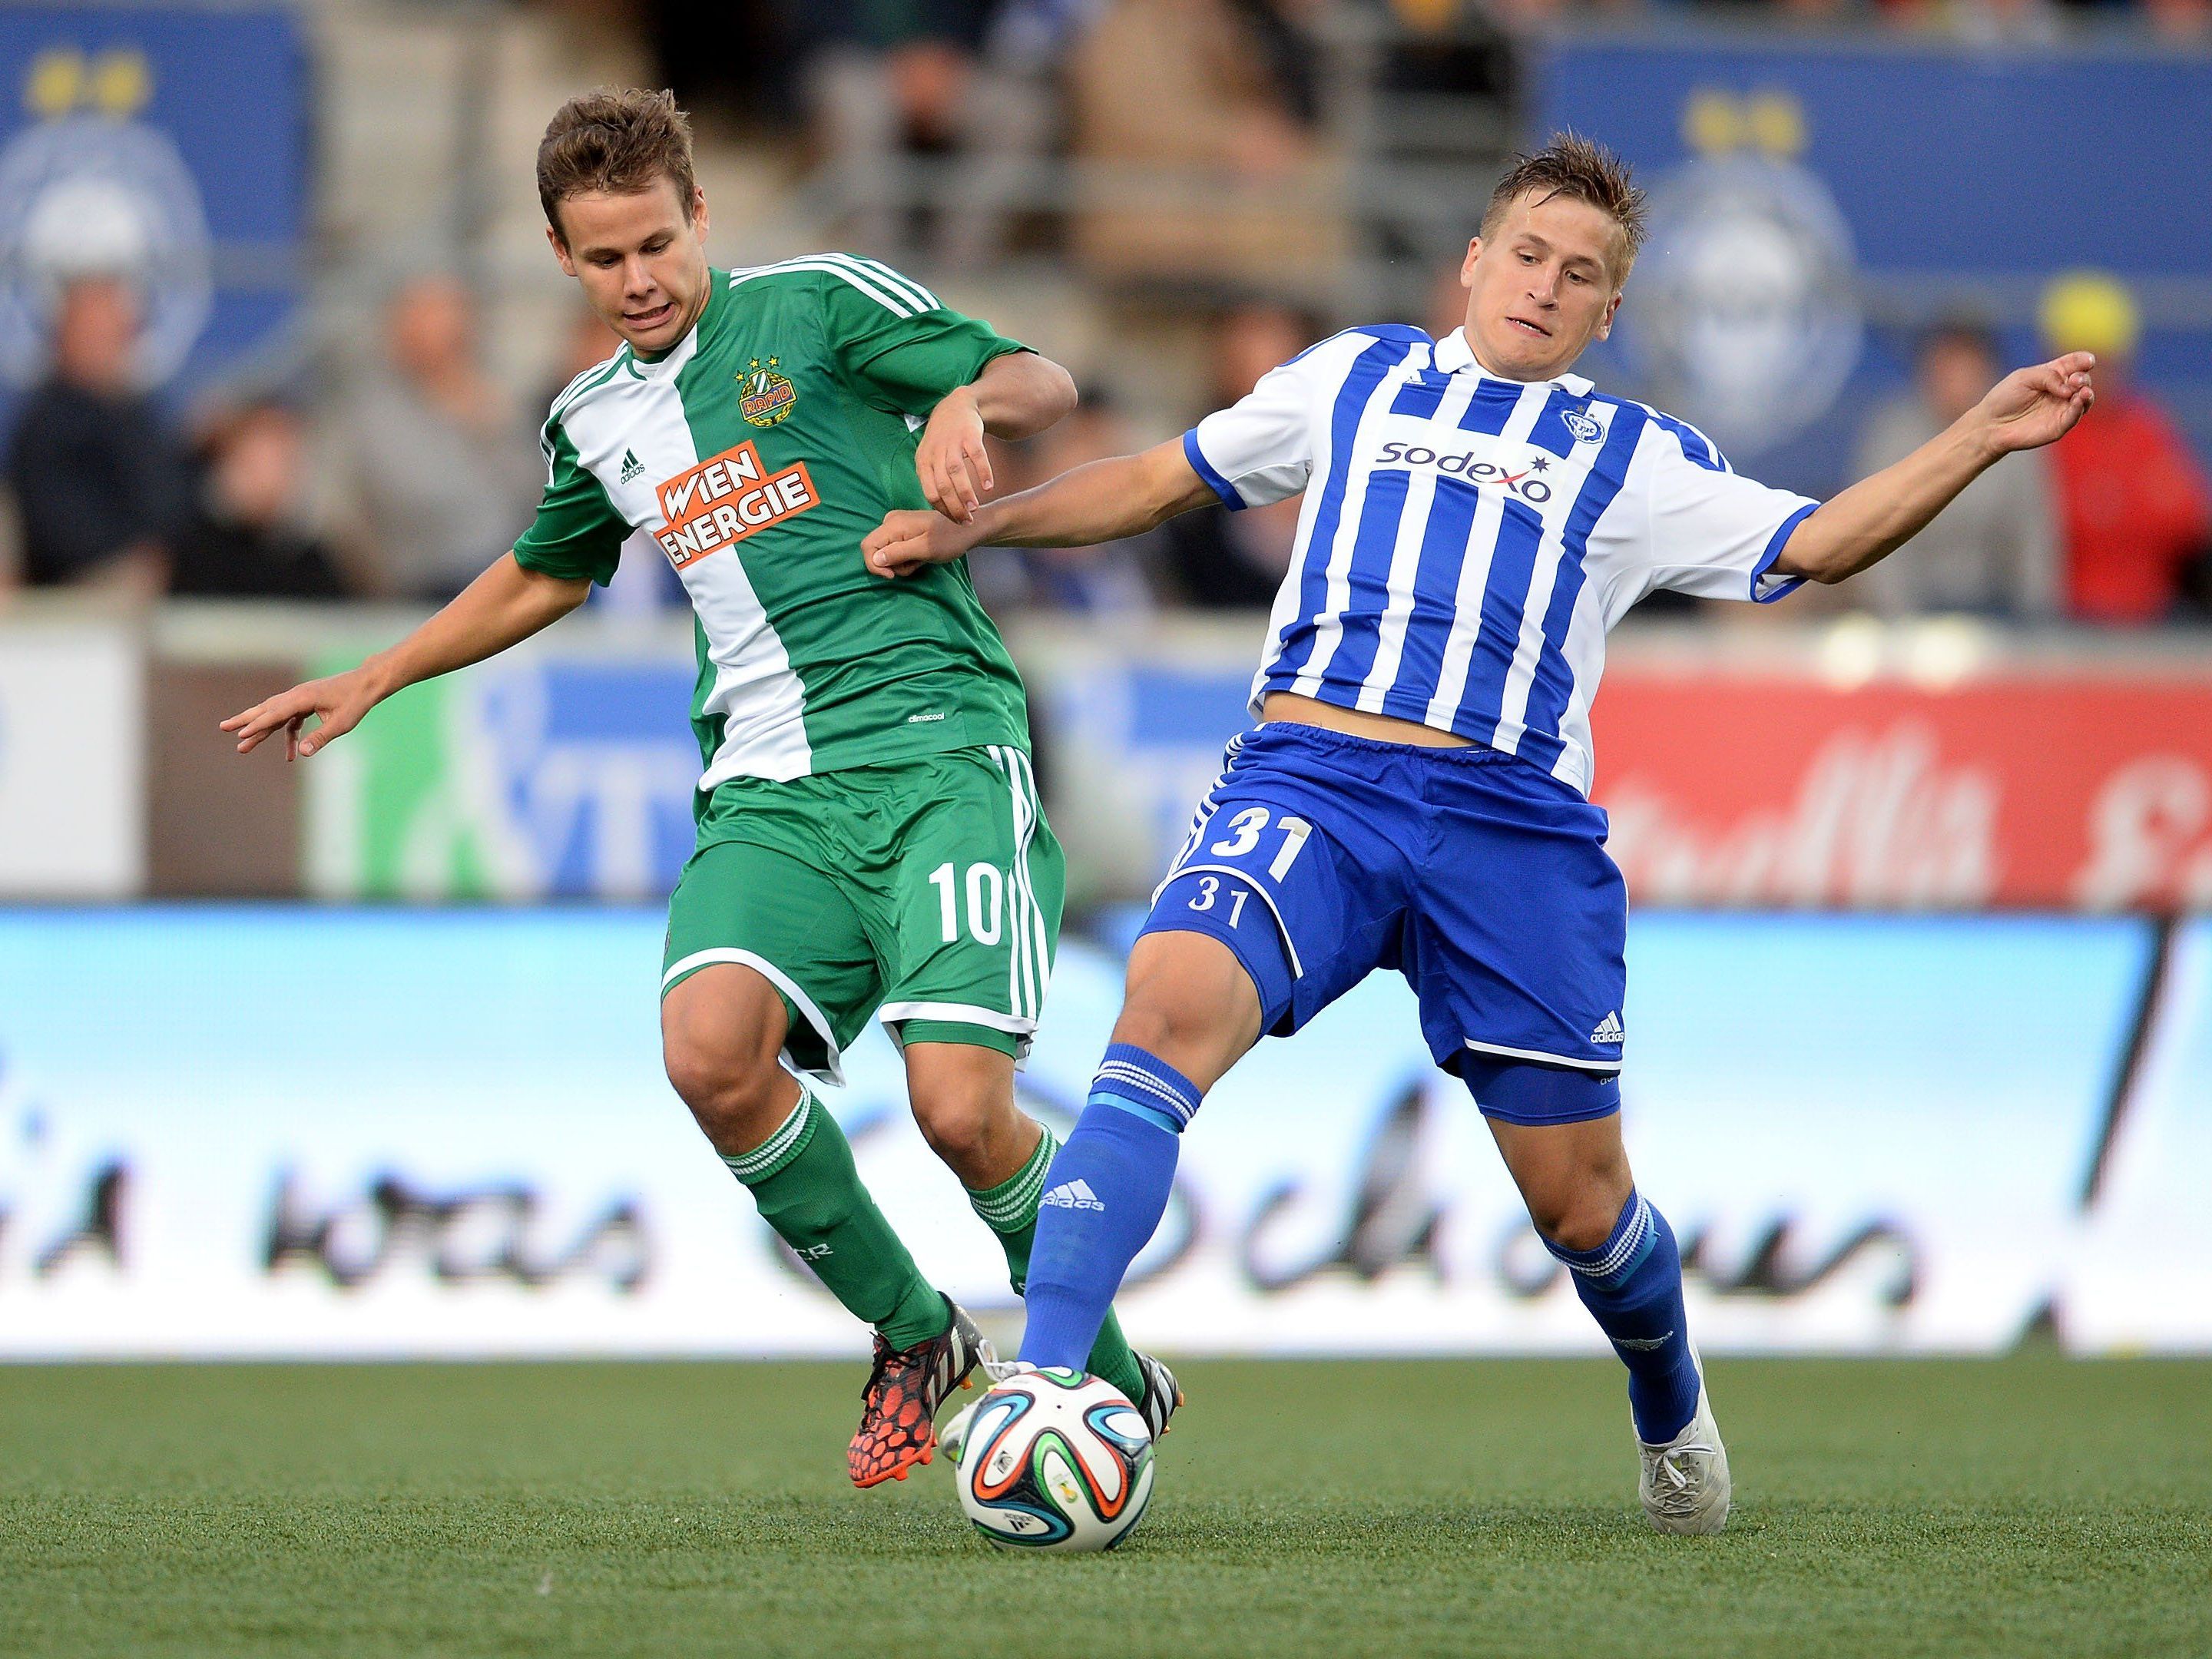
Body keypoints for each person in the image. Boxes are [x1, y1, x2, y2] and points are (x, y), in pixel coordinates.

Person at [866, 134, 2094, 1533]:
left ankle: (1670, 1404)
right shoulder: (1353, 380)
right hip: (1313, 780)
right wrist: (980, 531)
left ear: (1608, 312)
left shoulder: (1633, 458)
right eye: (1527, 255)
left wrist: (1980, 437)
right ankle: (1050, 1377)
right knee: (1161, 1012)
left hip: (1509, 833)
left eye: (1582, 275)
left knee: (1581, 1208)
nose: (1545, 287)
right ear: (1472, 261)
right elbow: (1160, 480)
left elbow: (1816, 542)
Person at [223, 87, 1174, 1487]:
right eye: (605, 258)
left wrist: (971, 399)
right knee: (706, 1054)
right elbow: (552, 565)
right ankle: (918, 1335)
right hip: (768, 791)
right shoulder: (594, 418)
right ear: (561, 255)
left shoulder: (817, 309)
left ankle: (1097, 1368)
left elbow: (1042, 375)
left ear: (700, 216)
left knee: (962, 1110)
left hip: (931, 749)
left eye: (658, 244)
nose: (640, 279)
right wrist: (383, 672)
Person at [327, 275, 542, 601]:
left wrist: (489, 426)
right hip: (419, 586)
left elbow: (536, 492)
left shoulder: (493, 395)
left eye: (451, 314)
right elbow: (391, 502)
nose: (443, 330)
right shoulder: (370, 412)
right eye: (427, 315)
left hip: (512, 577)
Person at [1853, 320, 2058, 619]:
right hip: (1910, 615)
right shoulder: (1894, 435)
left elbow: (2032, 538)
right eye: (1947, 367)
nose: (1957, 380)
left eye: (1968, 367)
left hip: (1996, 614)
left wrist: (2034, 620)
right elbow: (1870, 536)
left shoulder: (2017, 437)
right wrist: (1898, 625)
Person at [2036, 272, 2210, 624]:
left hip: (2160, 621)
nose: (2096, 376)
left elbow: (2191, 523)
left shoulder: (2148, 427)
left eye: (2108, 361)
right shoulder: (2040, 436)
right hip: (2067, 625)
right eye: (2083, 364)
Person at [6, 274, 190, 598]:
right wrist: (139, 552)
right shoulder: (46, 425)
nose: (104, 343)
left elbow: (171, 501)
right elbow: (57, 530)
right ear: (64, 336)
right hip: (81, 591)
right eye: (92, 332)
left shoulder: (141, 417)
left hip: (165, 578)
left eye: (112, 332)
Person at [171, 399, 350, 599]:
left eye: (280, 464)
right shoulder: (191, 552)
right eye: (252, 465)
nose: (264, 480)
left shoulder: (312, 563)